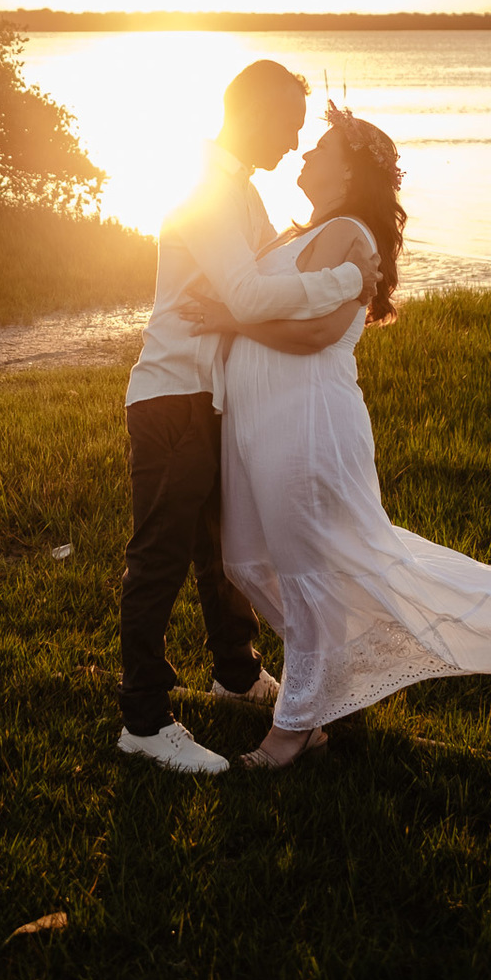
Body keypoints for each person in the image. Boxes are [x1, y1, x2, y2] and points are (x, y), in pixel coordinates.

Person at [182, 102, 491, 771]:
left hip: (305, 420)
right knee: (245, 560)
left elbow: (319, 333)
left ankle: (296, 727)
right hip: (255, 420)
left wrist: (231, 320)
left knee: (303, 574)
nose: (302, 155)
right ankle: (331, 675)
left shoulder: (351, 235)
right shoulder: (302, 232)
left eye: (319, 149)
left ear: (348, 168)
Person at [117, 62, 381, 775]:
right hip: (173, 394)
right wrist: (349, 280)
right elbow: (249, 293)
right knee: (160, 559)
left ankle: (235, 674)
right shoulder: (208, 192)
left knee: (218, 552)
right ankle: (143, 720)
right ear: (257, 114)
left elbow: (267, 279)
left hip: (210, 399)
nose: (297, 139)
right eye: (291, 122)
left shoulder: (242, 193)